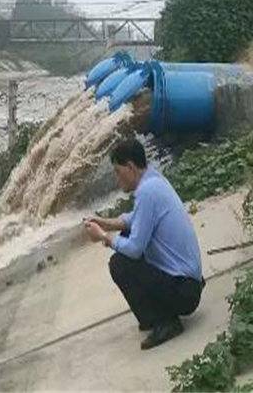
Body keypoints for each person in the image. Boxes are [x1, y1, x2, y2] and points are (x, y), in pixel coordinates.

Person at [84, 138, 205, 350]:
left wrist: (104, 236)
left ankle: (166, 321)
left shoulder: (147, 192)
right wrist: (105, 223)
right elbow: (135, 219)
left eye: (118, 172)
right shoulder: (154, 181)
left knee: (120, 264)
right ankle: (152, 317)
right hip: (188, 285)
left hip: (184, 292)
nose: (117, 178)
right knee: (126, 236)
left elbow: (134, 249)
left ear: (130, 167)